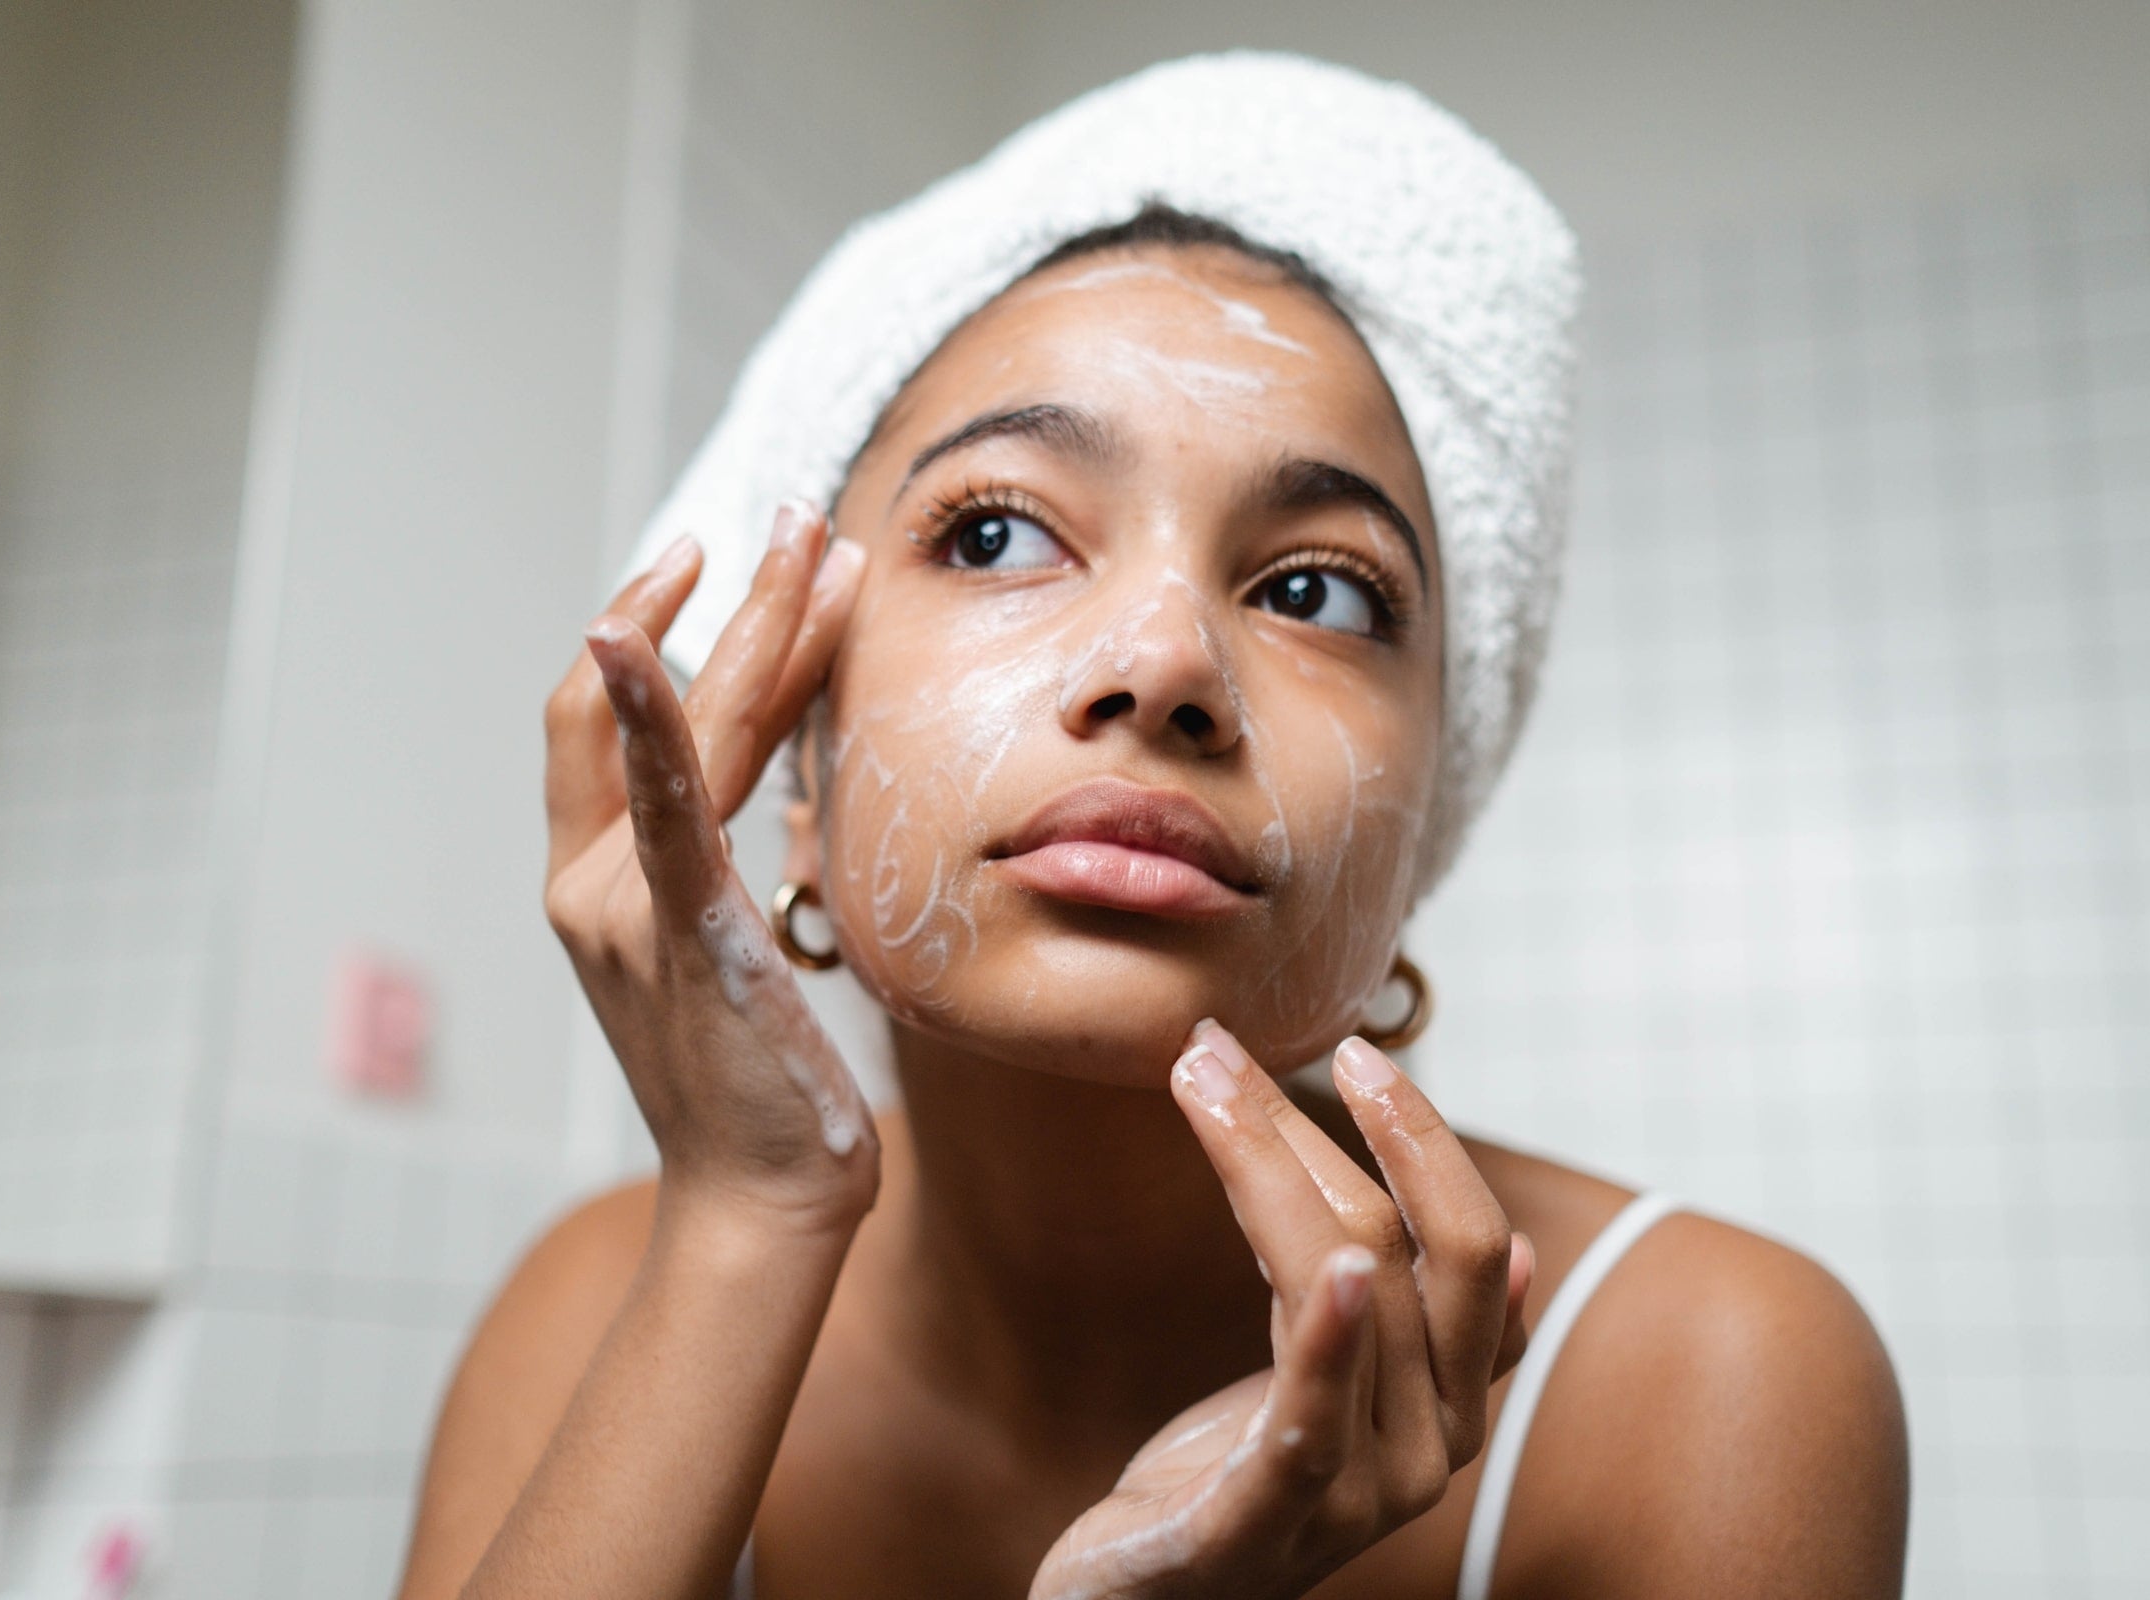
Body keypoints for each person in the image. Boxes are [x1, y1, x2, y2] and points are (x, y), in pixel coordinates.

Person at [396, 55, 1907, 1600]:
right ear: (797, 757)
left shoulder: (1705, 1381)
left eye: (1317, 589)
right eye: (997, 534)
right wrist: (745, 1220)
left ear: (1425, 826)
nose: (1169, 660)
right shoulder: (596, 1310)